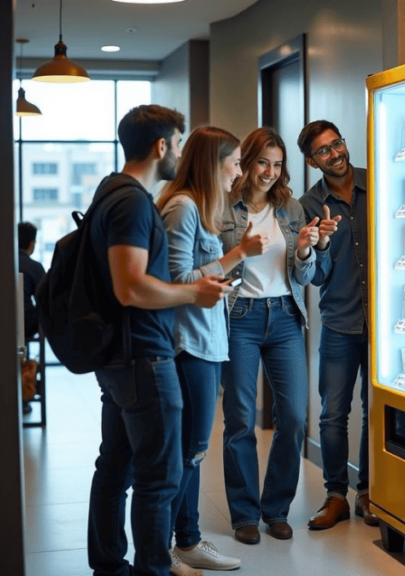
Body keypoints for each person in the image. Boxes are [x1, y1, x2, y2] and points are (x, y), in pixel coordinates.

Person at [87, 104, 234, 576]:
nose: (180, 149)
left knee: (115, 466)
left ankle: (110, 566)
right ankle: (154, 568)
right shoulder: (132, 200)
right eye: (177, 139)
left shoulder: (110, 191)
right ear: (161, 146)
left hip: (119, 353)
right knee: (158, 476)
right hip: (143, 354)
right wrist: (196, 291)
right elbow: (130, 285)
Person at [220, 127, 320, 545]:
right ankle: (244, 514)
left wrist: (304, 249)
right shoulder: (224, 207)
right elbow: (209, 266)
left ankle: (275, 509)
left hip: (284, 317)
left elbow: (306, 275)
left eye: (278, 165)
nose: (270, 173)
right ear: (246, 162)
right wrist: (238, 250)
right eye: (263, 162)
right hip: (239, 317)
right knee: (240, 420)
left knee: (294, 417)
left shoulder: (292, 208)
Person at [155, 126, 248, 576]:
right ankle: (169, 549)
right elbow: (175, 280)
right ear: (215, 162)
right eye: (235, 162)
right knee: (187, 452)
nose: (240, 171)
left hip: (207, 344)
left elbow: (197, 278)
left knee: (193, 451)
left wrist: (224, 277)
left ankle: (187, 541)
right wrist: (233, 258)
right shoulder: (183, 207)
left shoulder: (201, 207)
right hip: (187, 346)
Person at [296, 120, 379, 530]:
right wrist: (322, 244)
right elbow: (314, 276)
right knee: (333, 414)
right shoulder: (308, 206)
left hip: (383, 324)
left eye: (337, 144)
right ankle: (335, 495)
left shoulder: (377, 179)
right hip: (340, 321)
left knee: (375, 409)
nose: (336, 153)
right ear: (312, 161)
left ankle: (368, 492)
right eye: (324, 151)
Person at [17, 221, 46, 342]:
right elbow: (44, 298)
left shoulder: (2, 263)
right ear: (31, 243)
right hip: (26, 323)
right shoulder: (34, 266)